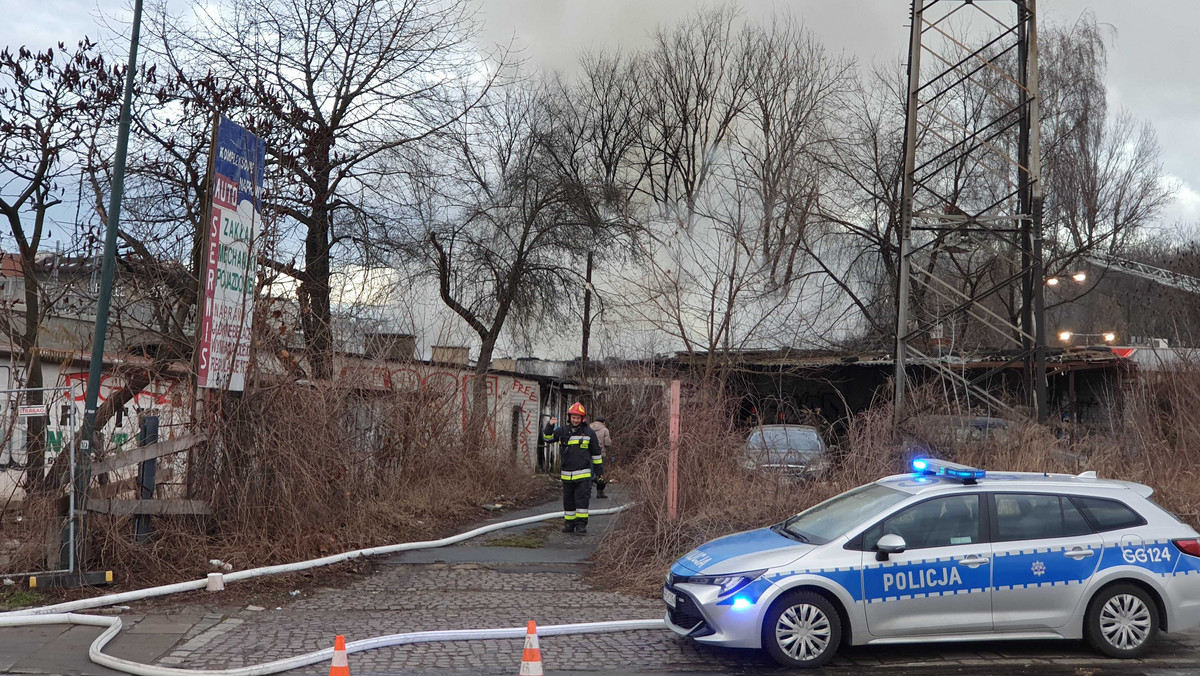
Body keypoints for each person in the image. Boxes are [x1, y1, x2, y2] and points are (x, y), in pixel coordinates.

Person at [543, 402, 602, 534]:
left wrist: (599, 474)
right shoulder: (562, 431)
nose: (575, 420)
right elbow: (547, 438)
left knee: (581, 502)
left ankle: (581, 526)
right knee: (568, 502)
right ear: (570, 418)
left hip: (583, 475)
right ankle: (569, 524)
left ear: (583, 419)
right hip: (567, 475)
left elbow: (596, 454)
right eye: (573, 417)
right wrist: (550, 426)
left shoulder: (589, 433)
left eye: (578, 418)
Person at [590, 416, 612, 499]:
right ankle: (600, 492)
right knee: (599, 473)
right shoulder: (605, 430)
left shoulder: (588, 428)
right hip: (600, 454)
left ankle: (587, 491)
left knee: (589, 472)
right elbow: (607, 443)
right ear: (604, 422)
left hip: (589, 454)